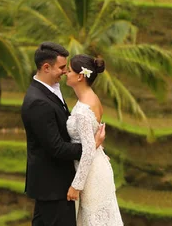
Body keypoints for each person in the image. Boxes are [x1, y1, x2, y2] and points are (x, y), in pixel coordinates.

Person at [22, 42, 105, 226]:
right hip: (52, 186)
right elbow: (57, 148)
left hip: (55, 185)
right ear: (46, 67)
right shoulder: (38, 102)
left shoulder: (50, 90)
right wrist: (92, 145)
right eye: (61, 67)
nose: (65, 71)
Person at [65, 54, 123, 225]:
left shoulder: (83, 110)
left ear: (80, 76)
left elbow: (89, 150)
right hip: (97, 167)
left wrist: (76, 186)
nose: (66, 74)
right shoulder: (92, 98)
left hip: (91, 175)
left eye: (69, 71)